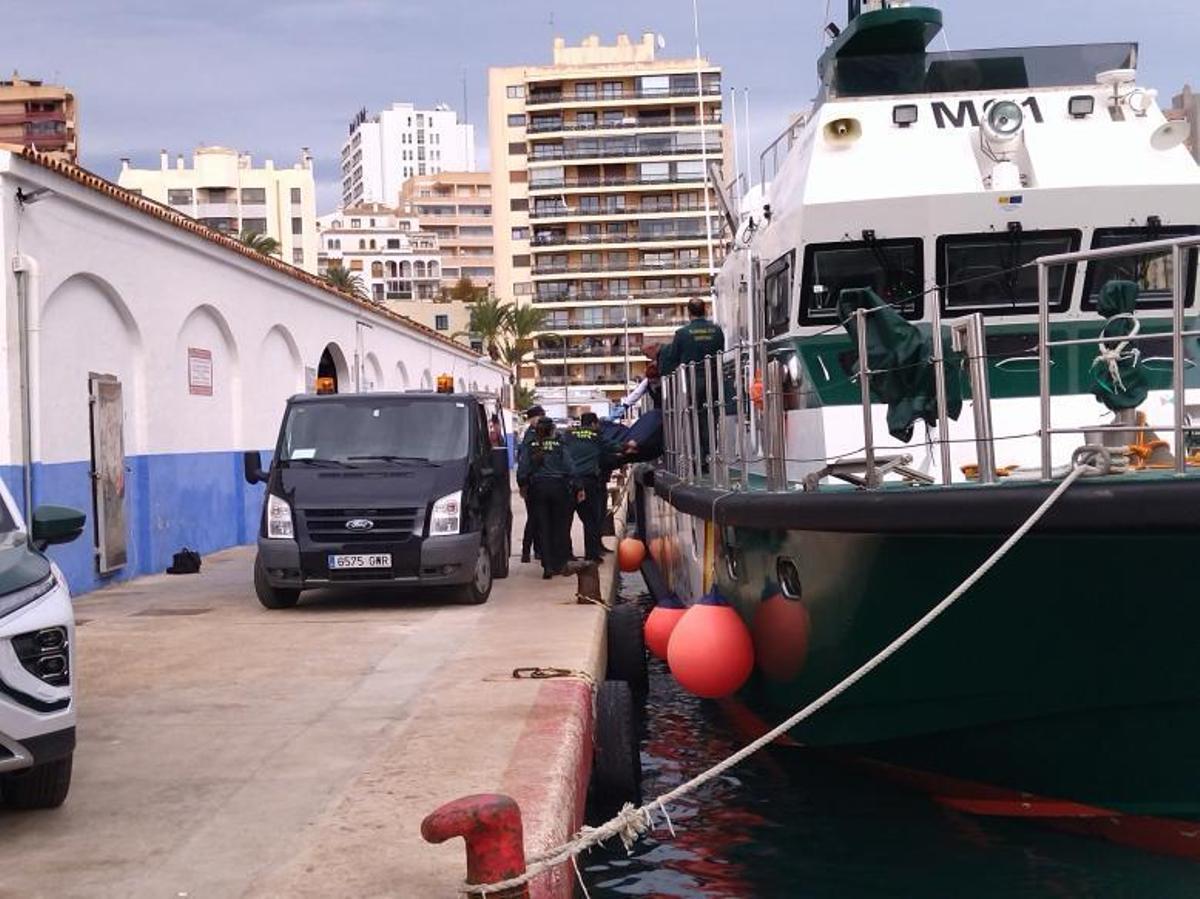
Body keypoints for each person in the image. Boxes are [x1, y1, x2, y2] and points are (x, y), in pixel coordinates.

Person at [659, 297, 726, 466]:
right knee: (711, 416)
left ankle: (698, 457)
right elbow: (721, 351)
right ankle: (711, 454)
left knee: (693, 417)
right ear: (705, 310)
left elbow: (673, 357)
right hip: (714, 378)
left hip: (692, 379)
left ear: (689, 313)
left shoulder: (682, 333)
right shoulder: (717, 331)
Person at [516, 417, 584, 579]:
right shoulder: (559, 445)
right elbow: (570, 467)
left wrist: (522, 485)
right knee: (559, 527)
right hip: (558, 488)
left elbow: (523, 468)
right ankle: (558, 563)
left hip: (538, 489)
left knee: (543, 527)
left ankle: (547, 566)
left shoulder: (531, 446)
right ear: (552, 429)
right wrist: (579, 486)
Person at [565, 412, 622, 562]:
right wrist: (627, 447)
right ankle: (592, 555)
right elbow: (612, 447)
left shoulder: (569, 435)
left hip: (568, 483)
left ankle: (567, 555)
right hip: (588, 482)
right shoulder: (595, 435)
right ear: (593, 424)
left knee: (565, 521)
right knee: (590, 520)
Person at [518, 405, 545, 563]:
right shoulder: (531, 436)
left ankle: (536, 549)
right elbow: (524, 463)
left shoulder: (538, 433)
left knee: (536, 517)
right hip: (531, 483)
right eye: (539, 417)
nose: (541, 419)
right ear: (532, 419)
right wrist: (522, 483)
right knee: (534, 517)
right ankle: (528, 550)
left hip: (537, 481)